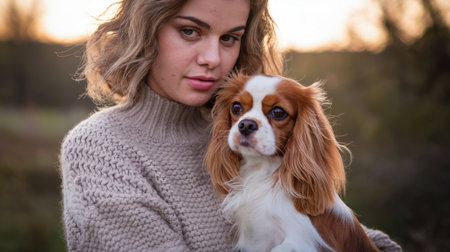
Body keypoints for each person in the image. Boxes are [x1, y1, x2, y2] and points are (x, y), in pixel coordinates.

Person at [60, 0, 402, 251]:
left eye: (229, 38)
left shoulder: (241, 132)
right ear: (145, 33)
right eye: (189, 31)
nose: (213, 58)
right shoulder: (100, 149)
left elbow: (327, 227)